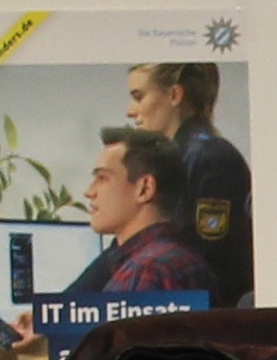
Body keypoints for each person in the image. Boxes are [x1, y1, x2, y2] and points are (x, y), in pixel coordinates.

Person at [124, 55, 255, 304]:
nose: (130, 111)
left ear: (174, 95)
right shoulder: (177, 159)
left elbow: (211, 263)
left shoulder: (211, 158)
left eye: (139, 97)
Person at [62, 127, 211, 297]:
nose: (89, 192)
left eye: (102, 178)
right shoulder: (190, 261)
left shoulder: (144, 271)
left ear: (144, 189)